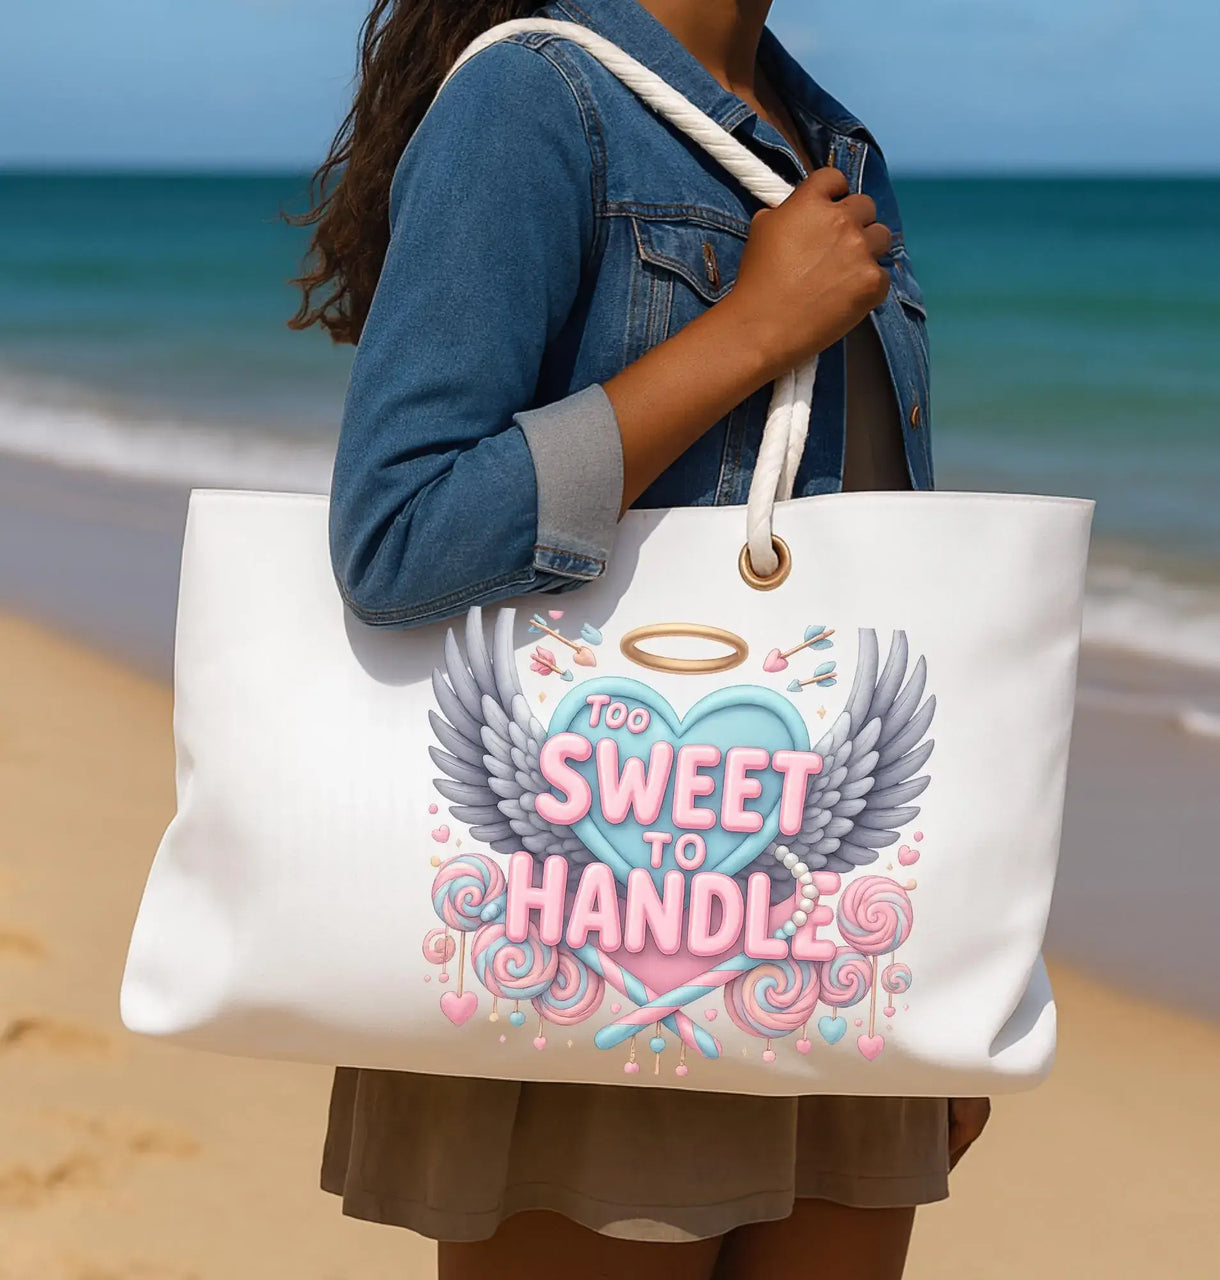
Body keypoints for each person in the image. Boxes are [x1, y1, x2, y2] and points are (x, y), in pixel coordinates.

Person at [290, 1, 990, 1276]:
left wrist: (948, 954)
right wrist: (750, 330)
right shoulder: (532, 103)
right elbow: (397, 535)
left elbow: (882, 596)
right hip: (589, 914)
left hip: (825, 928)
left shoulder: (831, 141)